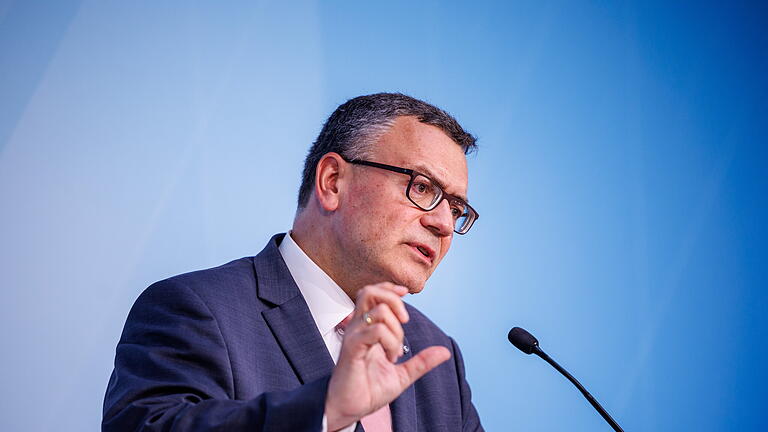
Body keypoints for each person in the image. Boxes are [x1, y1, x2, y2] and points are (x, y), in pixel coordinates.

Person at [103, 93, 484, 431]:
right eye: (422, 188)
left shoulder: (437, 359)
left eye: (455, 208)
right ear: (333, 181)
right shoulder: (197, 309)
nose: (443, 224)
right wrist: (325, 410)